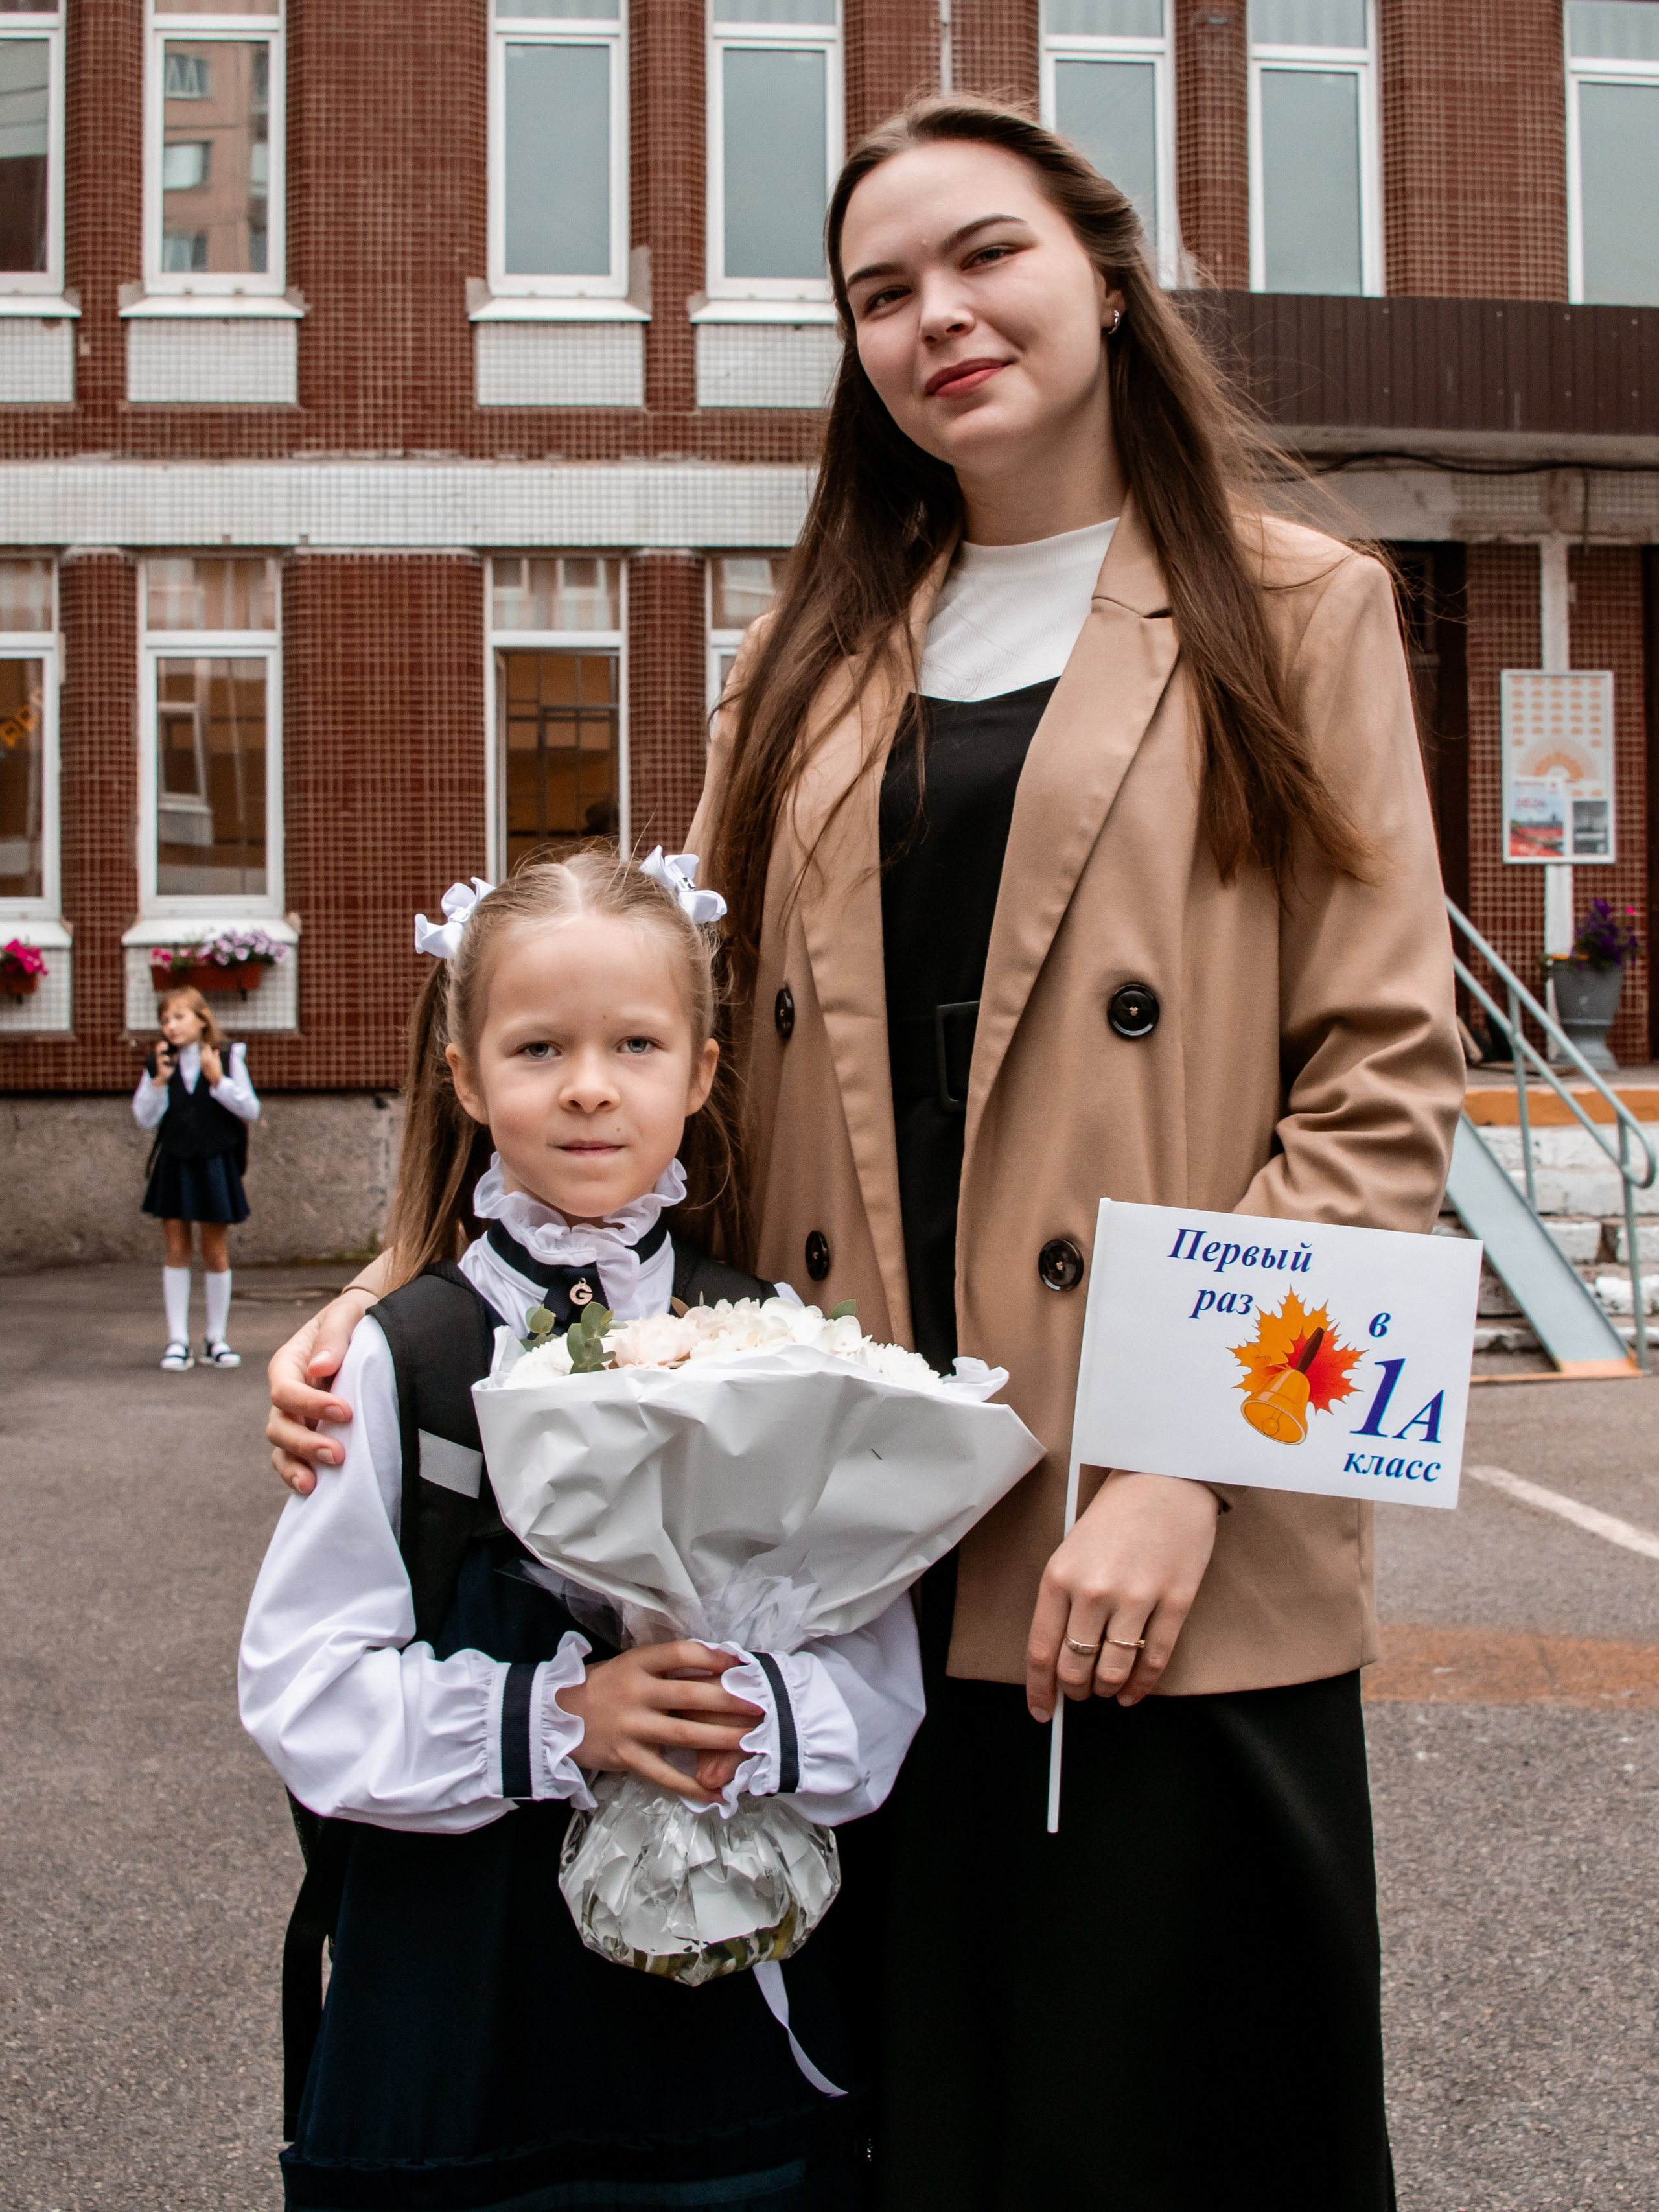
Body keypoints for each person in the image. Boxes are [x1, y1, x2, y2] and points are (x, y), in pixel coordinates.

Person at [265, 98, 1463, 2211]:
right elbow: (658, 1048)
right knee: (887, 2142)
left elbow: (1381, 1084)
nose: (938, 319)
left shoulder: (1302, 605)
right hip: (842, 1563)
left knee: (1185, 2131)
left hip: (1149, 1542)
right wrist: (402, 1297)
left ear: (1104, 272)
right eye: (879, 294)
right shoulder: (802, 651)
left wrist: (1193, 1466)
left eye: (983, 256)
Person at [240, 850, 923, 2211]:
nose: (590, 1084)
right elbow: (302, 1686)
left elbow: (876, 1675)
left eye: (635, 1043)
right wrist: (567, 1719)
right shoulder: (403, 1355)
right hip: (465, 2023)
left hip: (729, 2036)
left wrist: (752, 1714)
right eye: (538, 1046)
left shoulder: (780, 1340)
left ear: (705, 1067)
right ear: (464, 1074)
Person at [133, 985, 261, 1372]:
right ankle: (178, 1341)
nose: (170, 1026)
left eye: (179, 1017)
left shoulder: (227, 1056)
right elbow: (144, 1118)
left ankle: (216, 1339)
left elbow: (251, 1109)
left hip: (214, 1164)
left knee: (215, 1250)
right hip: (175, 1163)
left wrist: (218, 1080)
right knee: (176, 1248)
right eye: (165, 1020)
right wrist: (159, 1082)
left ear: (202, 1018)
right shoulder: (159, 1062)